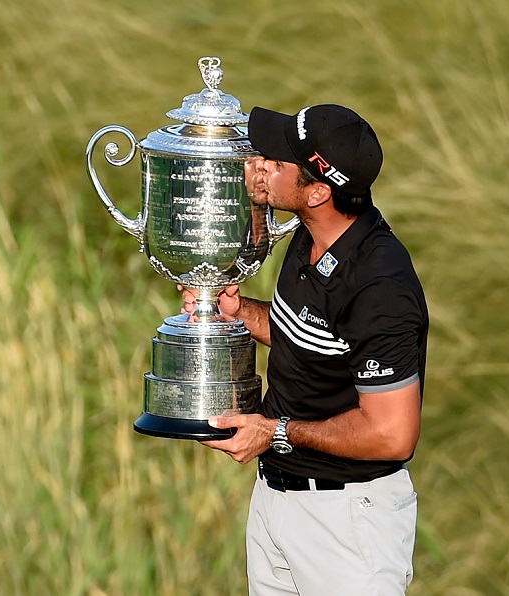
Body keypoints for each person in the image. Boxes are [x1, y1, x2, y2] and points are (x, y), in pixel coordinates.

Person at [181, 104, 429, 595]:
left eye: (279, 158)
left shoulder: (379, 285)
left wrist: (274, 433)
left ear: (318, 190)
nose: (263, 161)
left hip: (347, 525)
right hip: (277, 505)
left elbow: (392, 434)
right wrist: (239, 313)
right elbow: (315, 336)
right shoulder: (310, 235)